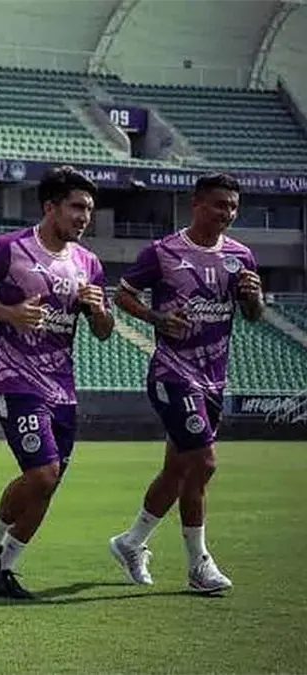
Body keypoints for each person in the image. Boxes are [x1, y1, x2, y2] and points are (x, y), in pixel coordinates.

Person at [0, 166, 113, 600]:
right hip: (16, 378)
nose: (84, 217)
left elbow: (104, 332)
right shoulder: (10, 248)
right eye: (76, 207)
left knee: (49, 484)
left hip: (63, 387)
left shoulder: (88, 263)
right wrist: (9, 313)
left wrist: (98, 311)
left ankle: (4, 570)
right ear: (50, 207)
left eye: (89, 210)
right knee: (42, 474)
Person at [108, 173, 260, 593]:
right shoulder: (163, 251)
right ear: (196, 204)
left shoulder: (241, 256)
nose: (227, 213)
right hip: (173, 373)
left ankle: (130, 542)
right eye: (219, 204)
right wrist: (156, 318)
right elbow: (122, 294)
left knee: (176, 471)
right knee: (203, 464)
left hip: (214, 379)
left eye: (233, 207)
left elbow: (252, 316)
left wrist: (254, 298)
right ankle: (198, 565)